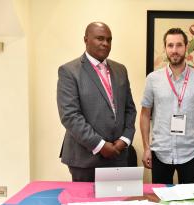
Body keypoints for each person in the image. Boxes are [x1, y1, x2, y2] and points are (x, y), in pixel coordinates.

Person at [57, 22, 137, 182]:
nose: (105, 43)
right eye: (100, 38)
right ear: (86, 39)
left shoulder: (120, 70)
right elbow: (70, 116)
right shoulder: (69, 71)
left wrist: (125, 139)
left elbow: (130, 109)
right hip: (85, 159)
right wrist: (100, 145)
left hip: (118, 155)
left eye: (109, 39)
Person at [140, 28, 194, 184]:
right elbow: (145, 113)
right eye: (170, 45)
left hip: (191, 153)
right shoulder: (153, 79)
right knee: (160, 203)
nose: (174, 50)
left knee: (189, 204)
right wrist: (146, 147)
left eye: (179, 45)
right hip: (160, 153)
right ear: (165, 48)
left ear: (186, 47)